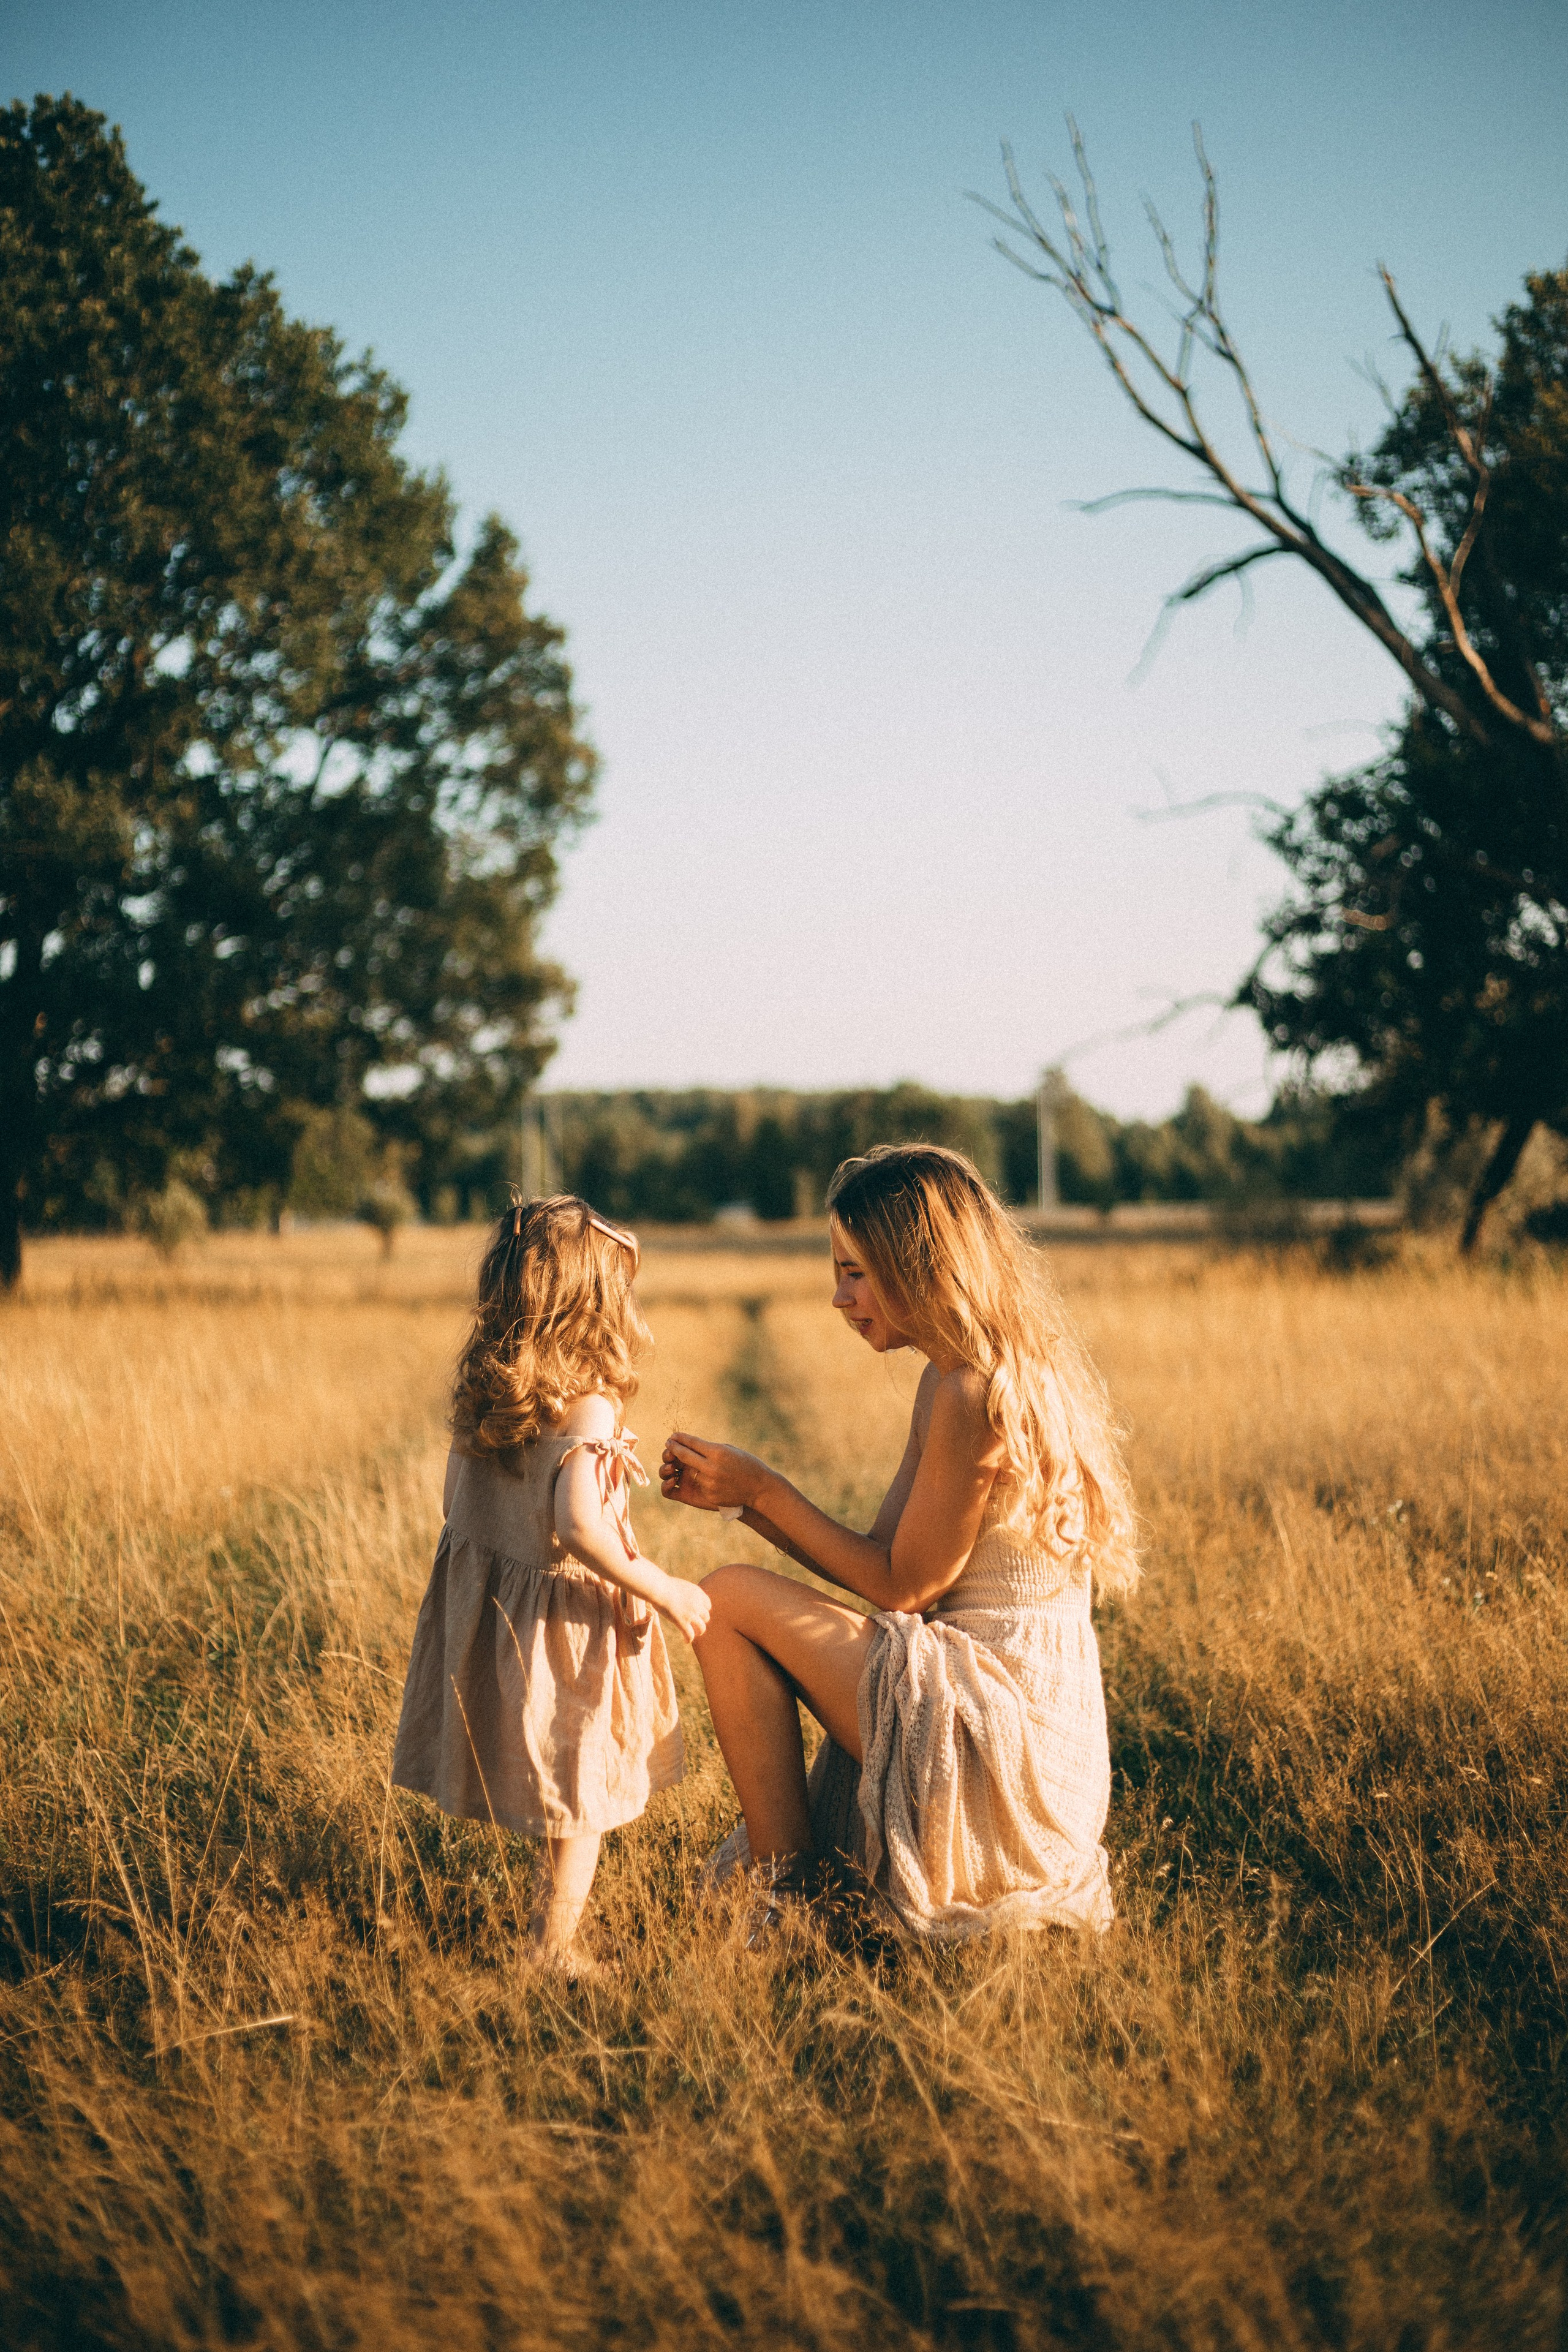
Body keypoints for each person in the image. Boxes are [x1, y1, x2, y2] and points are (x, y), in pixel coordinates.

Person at [660, 1144, 1138, 1941]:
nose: (839, 1297)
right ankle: (791, 1887)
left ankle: (788, 1898)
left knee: (727, 1599)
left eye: (855, 1271)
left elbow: (902, 1589)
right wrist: (745, 1501)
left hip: (1000, 1758)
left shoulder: (971, 1392)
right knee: (736, 1598)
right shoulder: (964, 1374)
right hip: (1021, 1747)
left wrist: (763, 1491)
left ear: (919, 1266)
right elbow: (883, 1555)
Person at [391, 1195, 710, 1973]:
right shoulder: (590, 1407)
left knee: (556, 1784)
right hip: (567, 1629)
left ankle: (545, 1932)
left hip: (496, 1615)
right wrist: (658, 1585)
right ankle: (552, 1948)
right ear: (596, 1306)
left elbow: (452, 1506)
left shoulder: (490, 1394)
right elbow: (576, 1527)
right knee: (583, 1793)